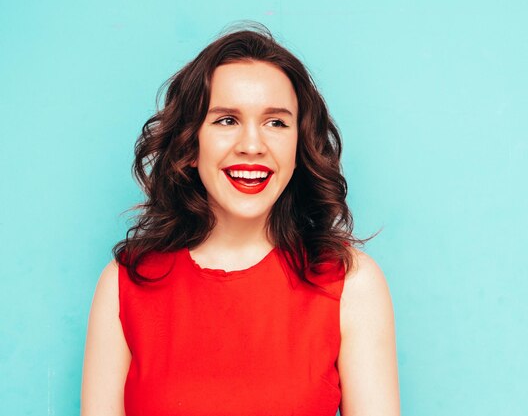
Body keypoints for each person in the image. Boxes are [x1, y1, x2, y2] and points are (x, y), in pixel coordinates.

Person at [81, 23, 400, 416]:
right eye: (226, 120)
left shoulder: (351, 283)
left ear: (299, 148)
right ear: (190, 143)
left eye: (276, 123)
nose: (252, 146)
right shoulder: (123, 283)